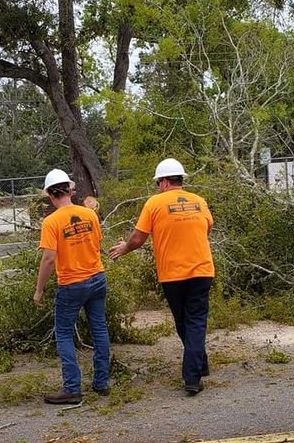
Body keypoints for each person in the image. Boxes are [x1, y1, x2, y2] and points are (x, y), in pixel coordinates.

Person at [108, 158, 215, 396]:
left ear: (165, 182)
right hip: (202, 269)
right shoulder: (199, 201)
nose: (158, 186)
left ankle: (192, 377)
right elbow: (206, 228)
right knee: (194, 321)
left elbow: (138, 238)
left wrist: (125, 248)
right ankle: (199, 364)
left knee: (184, 321)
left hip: (172, 274)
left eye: (158, 182)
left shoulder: (154, 203)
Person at [34, 169, 110, 404]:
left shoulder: (51, 222)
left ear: (50, 195)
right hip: (97, 278)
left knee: (64, 333)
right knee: (99, 329)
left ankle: (72, 388)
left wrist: (39, 290)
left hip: (71, 283)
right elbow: (96, 243)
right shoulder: (89, 215)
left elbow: (48, 258)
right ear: (69, 190)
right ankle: (101, 383)